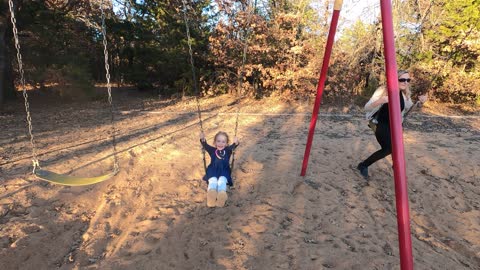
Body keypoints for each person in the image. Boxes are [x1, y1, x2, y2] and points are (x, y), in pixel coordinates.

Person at [357, 70, 428, 179]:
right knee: (388, 148)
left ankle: (396, 166)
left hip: (396, 126)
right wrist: (382, 100)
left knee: (397, 148)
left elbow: (410, 108)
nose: (406, 82)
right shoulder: (383, 90)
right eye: (402, 80)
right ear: (395, 79)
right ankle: (363, 165)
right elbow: (367, 107)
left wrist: (420, 103)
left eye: (408, 80)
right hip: (380, 123)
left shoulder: (404, 93)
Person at [200, 131, 239, 207]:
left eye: (223, 142)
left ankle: (221, 195)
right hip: (213, 169)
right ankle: (211, 195)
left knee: (222, 180)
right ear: (215, 142)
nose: (220, 143)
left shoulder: (228, 150)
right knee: (213, 181)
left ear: (226, 143)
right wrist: (202, 139)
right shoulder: (212, 150)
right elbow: (205, 145)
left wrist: (236, 142)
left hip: (224, 170)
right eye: (218, 141)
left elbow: (235, 145)